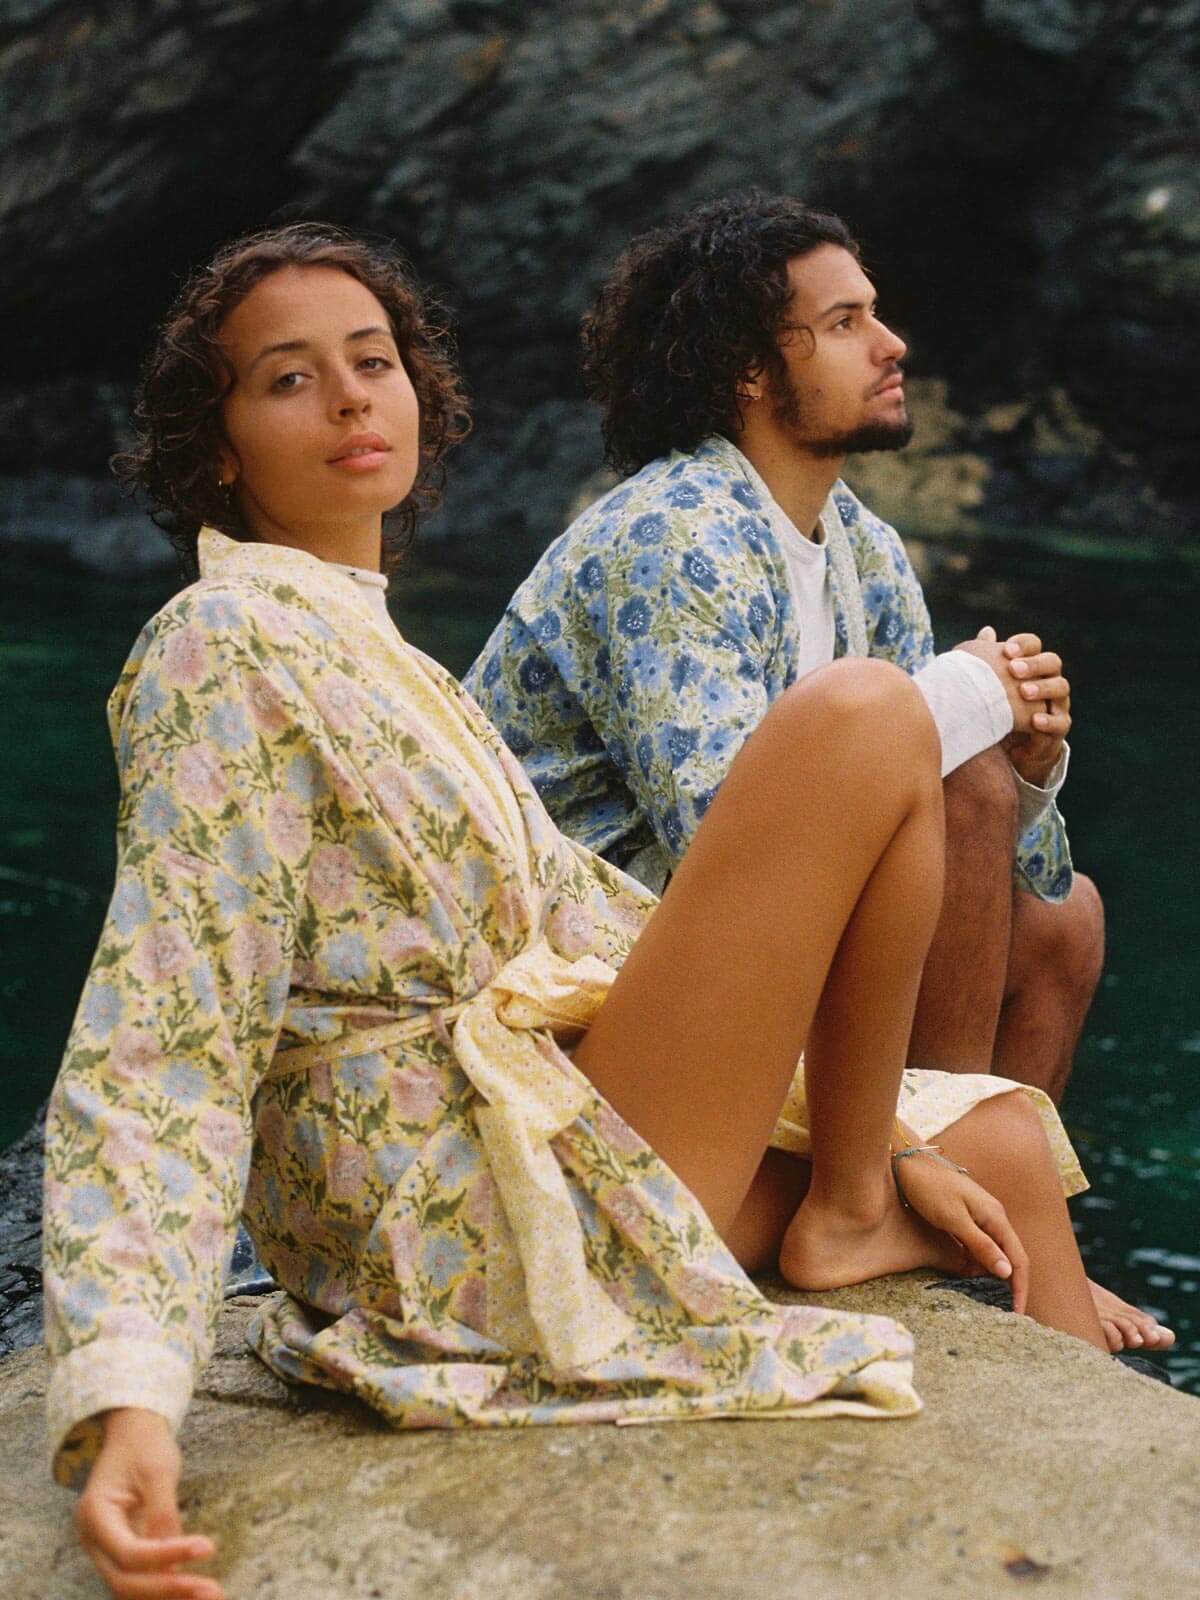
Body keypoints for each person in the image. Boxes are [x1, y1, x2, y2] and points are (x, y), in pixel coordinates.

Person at [44, 222, 1143, 1600]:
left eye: (372, 361)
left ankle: (1093, 1525)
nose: (346, 397)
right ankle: (865, 1223)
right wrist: (131, 1388)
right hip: (443, 1219)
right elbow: (165, 1035)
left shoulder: (380, 652)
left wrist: (872, 1113)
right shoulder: (217, 647)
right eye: (287, 378)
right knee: (868, 713)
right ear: (213, 446)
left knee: (995, 1139)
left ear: (419, 399)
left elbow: (593, 918)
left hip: (535, 1131)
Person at [466, 191, 1104, 1109]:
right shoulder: (669, 538)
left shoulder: (862, 549)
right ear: (748, 371)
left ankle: (989, 1191)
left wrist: (1026, 762)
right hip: (585, 944)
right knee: (959, 784)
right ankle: (930, 1169)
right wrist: (964, 700)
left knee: (1065, 921)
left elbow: (1006, 868)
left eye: (874, 314)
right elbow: (723, 839)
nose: (894, 346)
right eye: (846, 323)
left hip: (761, 929)